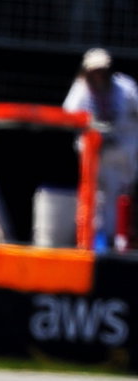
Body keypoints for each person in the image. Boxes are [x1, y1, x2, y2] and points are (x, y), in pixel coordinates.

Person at [63, 48, 138, 250]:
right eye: (94, 70)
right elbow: (68, 116)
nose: (99, 75)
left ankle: (117, 243)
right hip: (94, 156)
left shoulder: (125, 88)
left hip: (122, 157)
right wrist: (92, 131)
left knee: (120, 200)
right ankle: (94, 244)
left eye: (102, 70)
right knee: (95, 202)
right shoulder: (81, 90)